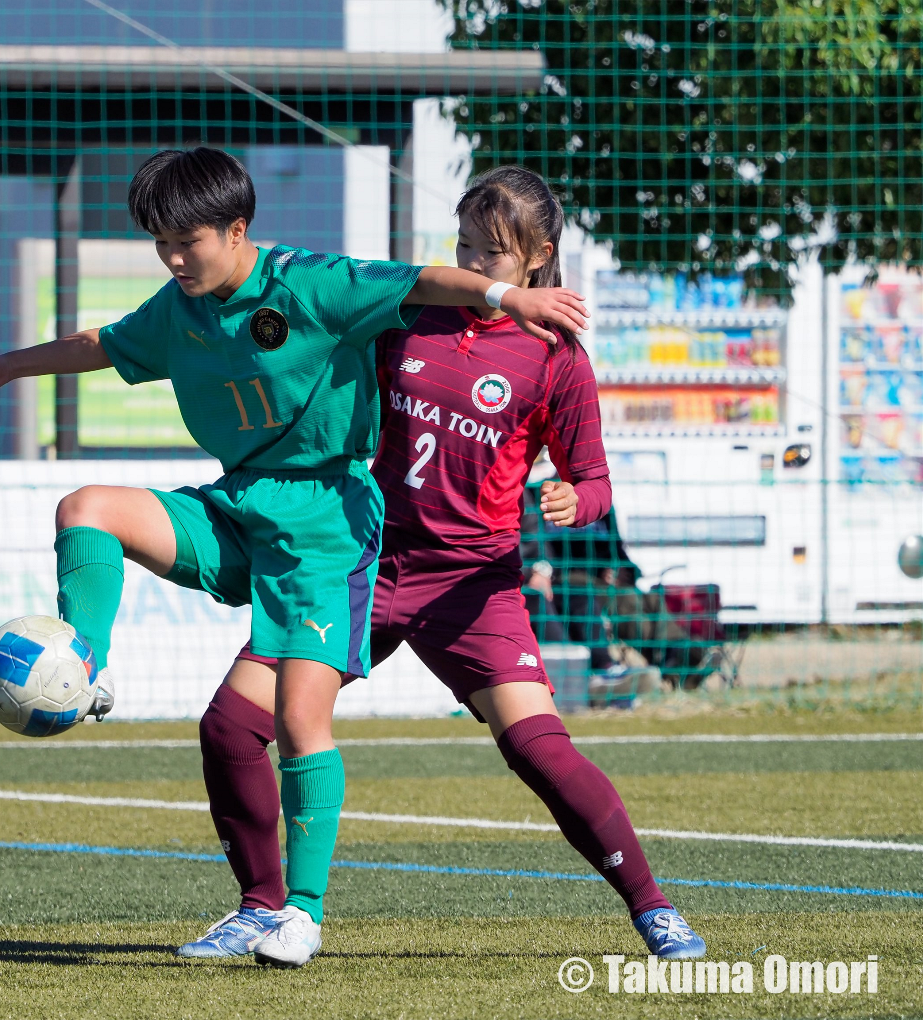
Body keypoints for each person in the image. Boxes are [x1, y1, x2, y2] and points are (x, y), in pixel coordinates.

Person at [0, 148, 588, 969]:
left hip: (329, 523)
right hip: (240, 505)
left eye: (189, 242)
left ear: (237, 229)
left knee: (296, 719)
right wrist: (9, 366)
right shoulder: (178, 307)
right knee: (87, 510)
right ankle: (85, 663)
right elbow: (100, 344)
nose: (175, 259)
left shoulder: (310, 282)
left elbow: (426, 281)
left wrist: (508, 295)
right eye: (161, 244)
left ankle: (303, 914)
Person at [178, 166, 705, 963]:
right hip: (359, 561)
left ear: (537, 259)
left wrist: (573, 499)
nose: (469, 263)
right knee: (231, 726)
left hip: (472, 585)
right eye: (461, 244)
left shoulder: (555, 357)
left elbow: (594, 482)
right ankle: (262, 907)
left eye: (489, 253)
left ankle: (654, 909)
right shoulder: (406, 318)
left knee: (539, 748)